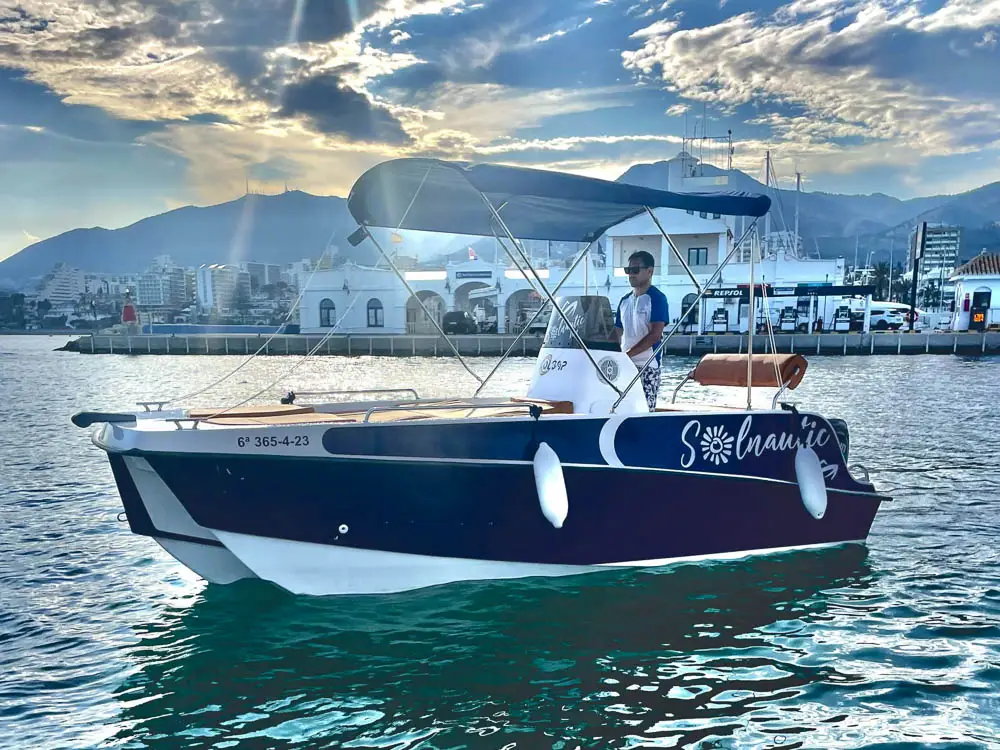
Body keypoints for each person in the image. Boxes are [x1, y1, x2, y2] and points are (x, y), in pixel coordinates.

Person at [613, 251, 668, 410]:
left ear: (649, 271)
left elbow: (655, 335)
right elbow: (617, 332)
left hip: (648, 365)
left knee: (644, 410)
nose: (631, 274)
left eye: (635, 270)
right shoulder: (624, 301)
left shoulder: (657, 298)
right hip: (625, 364)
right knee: (621, 407)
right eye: (628, 270)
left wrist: (627, 354)